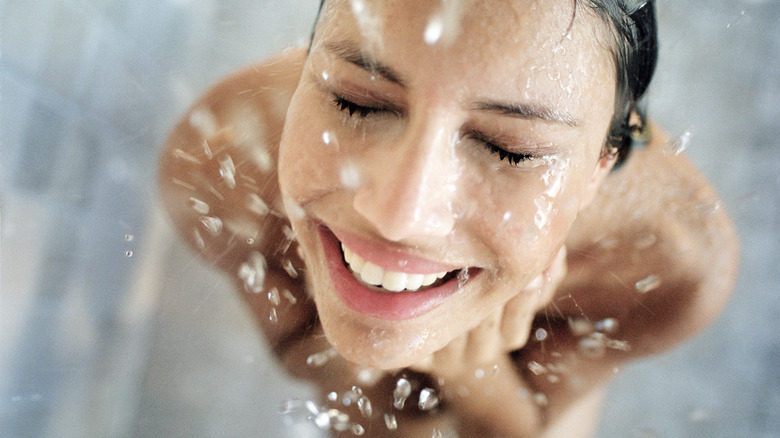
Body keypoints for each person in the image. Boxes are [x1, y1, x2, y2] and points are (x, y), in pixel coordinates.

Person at [158, 0, 739, 436]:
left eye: (511, 149)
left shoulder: (666, 261)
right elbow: (305, 363)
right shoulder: (217, 162)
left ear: (597, 168)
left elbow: (523, 428)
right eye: (355, 102)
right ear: (309, 64)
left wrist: (476, 372)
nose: (399, 216)